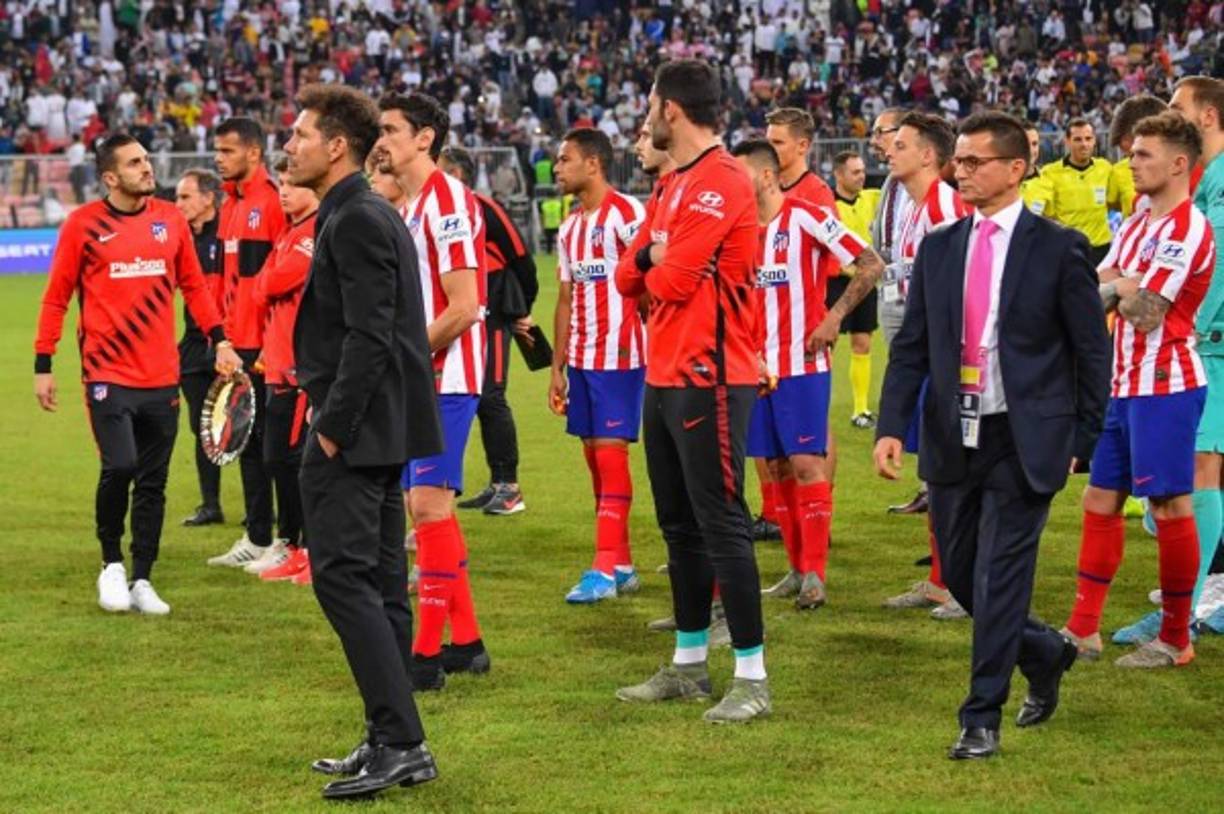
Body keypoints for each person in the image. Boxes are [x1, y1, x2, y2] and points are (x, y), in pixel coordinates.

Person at [874, 112, 1111, 759]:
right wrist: (892, 425)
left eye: (977, 161)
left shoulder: (1059, 248)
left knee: (1002, 577)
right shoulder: (943, 247)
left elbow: (1092, 354)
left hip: (1027, 438)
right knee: (964, 579)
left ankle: (981, 717)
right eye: (961, 161)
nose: (963, 170)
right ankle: (1044, 651)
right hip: (954, 436)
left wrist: (1083, 440)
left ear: (1015, 169)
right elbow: (914, 347)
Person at [287, 83, 442, 801]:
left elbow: (371, 336)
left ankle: (403, 742)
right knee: (377, 587)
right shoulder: (356, 211)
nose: (290, 147)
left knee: (344, 582)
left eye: (300, 135)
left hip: (356, 435)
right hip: (380, 432)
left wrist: (331, 430)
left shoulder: (354, 218)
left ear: (337, 145)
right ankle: (390, 735)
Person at [613, 59, 770, 724]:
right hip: (664, 372)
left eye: (650, 102)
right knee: (678, 526)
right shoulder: (672, 184)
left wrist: (654, 258)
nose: (646, 114)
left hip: (711, 375)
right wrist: (653, 254)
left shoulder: (721, 181)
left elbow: (671, 283)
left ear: (670, 110)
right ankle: (686, 666)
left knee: (722, 524)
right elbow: (629, 275)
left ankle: (753, 679)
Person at [34, 134, 242, 615]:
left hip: (161, 376)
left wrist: (221, 338)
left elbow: (193, 284)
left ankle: (143, 575)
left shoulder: (170, 219)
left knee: (153, 480)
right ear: (110, 177)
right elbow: (56, 298)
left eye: (146, 160)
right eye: (134, 163)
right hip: (107, 374)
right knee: (120, 466)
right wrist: (44, 364)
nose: (147, 168)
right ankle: (111, 563)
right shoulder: (82, 226)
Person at [1060, 112, 1216, 669]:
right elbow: (1091, 287)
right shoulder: (1138, 223)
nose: (1131, 161)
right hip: (1122, 384)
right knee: (1098, 498)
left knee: (1170, 505)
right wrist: (1122, 283)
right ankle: (1083, 630)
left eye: (1144, 154)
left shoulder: (1188, 227)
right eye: (1131, 153)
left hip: (1166, 386)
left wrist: (1121, 285)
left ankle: (1177, 639)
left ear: (1179, 164)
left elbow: (1148, 312)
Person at [734, 138, 884, 611]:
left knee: (805, 463)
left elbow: (869, 264)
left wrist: (835, 316)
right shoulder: (739, 231)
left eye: (738, 175)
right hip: (755, 368)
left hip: (802, 363)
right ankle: (797, 569)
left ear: (763, 175)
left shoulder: (804, 216)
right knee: (775, 467)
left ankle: (816, 574)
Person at [376, 92, 490, 689]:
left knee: (427, 507)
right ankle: (465, 642)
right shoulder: (414, 205)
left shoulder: (445, 199)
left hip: (445, 376)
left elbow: (465, 307)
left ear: (425, 138)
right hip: (424, 375)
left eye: (391, 129)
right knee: (430, 507)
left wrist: (402, 358)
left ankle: (423, 658)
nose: (381, 140)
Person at [549, 127, 647, 604]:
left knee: (610, 457)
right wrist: (557, 366)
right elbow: (566, 298)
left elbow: (652, 279)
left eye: (565, 160)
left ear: (593, 164)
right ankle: (622, 563)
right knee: (594, 459)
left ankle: (603, 568)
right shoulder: (570, 227)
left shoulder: (627, 215)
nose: (557, 168)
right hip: (584, 360)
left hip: (621, 356)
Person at [881, 112, 972, 620]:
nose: (888, 152)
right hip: (930, 355)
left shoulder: (945, 205)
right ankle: (942, 580)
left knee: (956, 474)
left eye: (900, 144)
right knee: (936, 474)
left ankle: (963, 582)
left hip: (954, 364)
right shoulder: (916, 207)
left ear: (928, 156)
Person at [750, 107, 839, 544]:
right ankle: (780, 518)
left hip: (804, 332)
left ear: (802, 146)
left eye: (779, 141)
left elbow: (839, 261)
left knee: (812, 441)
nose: (771, 147)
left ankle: (820, 512)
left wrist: (827, 318)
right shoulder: (763, 194)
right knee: (776, 448)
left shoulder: (814, 195)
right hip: (765, 339)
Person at [207, 117, 290, 569]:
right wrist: (222, 338)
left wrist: (264, 345)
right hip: (234, 345)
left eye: (228, 151)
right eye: (217, 151)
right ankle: (258, 536)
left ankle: (286, 539)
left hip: (265, 348)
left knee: (273, 447)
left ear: (254, 153)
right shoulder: (230, 206)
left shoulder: (272, 203)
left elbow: (282, 282)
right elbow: (222, 282)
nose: (219, 159)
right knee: (244, 443)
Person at [440, 146, 540, 517]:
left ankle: (510, 488)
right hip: (470, 316)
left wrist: (522, 310)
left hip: (495, 313)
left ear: (459, 175)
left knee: (491, 396)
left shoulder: (482, 206)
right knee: (479, 397)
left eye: (443, 170)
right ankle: (497, 482)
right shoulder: (443, 212)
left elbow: (521, 257)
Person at [1160, 76, 1224, 635]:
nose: (1170, 112)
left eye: (1178, 106)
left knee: (1201, 469)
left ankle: (1185, 609)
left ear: (1207, 116)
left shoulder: (1220, 181)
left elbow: (1221, 261)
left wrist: (1193, 331)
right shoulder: (1210, 179)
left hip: (1214, 344)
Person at [246, 153, 318, 584]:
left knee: (289, 460)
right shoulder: (289, 233)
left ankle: (303, 545)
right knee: (280, 459)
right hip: (277, 366)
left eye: (292, 184)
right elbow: (262, 286)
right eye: (282, 185)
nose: (284, 192)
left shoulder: (311, 234)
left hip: (297, 369)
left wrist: (268, 282)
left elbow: (270, 284)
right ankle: (290, 541)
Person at [174, 168, 227, 527]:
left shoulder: (229, 234)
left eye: (185, 197)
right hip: (194, 345)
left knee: (251, 431)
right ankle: (211, 504)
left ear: (208, 199)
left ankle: (262, 509)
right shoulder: (180, 240)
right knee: (201, 425)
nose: (178, 204)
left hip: (231, 343)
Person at [831, 150, 883, 428]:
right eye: (855, 172)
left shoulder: (872, 198)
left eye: (862, 171)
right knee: (827, 345)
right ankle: (816, 406)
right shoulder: (827, 205)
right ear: (838, 175)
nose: (862, 176)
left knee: (862, 343)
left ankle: (860, 410)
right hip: (835, 282)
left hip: (865, 280)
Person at [1032, 119, 1122, 266]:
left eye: (1088, 139)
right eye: (1077, 139)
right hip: (1069, 249)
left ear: (1094, 141)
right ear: (1067, 141)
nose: (1084, 144)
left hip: (1102, 248)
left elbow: (1114, 202)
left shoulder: (1105, 168)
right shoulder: (1050, 172)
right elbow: (1044, 212)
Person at [1108, 95, 1169, 218]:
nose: (1133, 164)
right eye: (1130, 156)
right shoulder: (1118, 171)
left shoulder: (1184, 170)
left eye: (1127, 138)